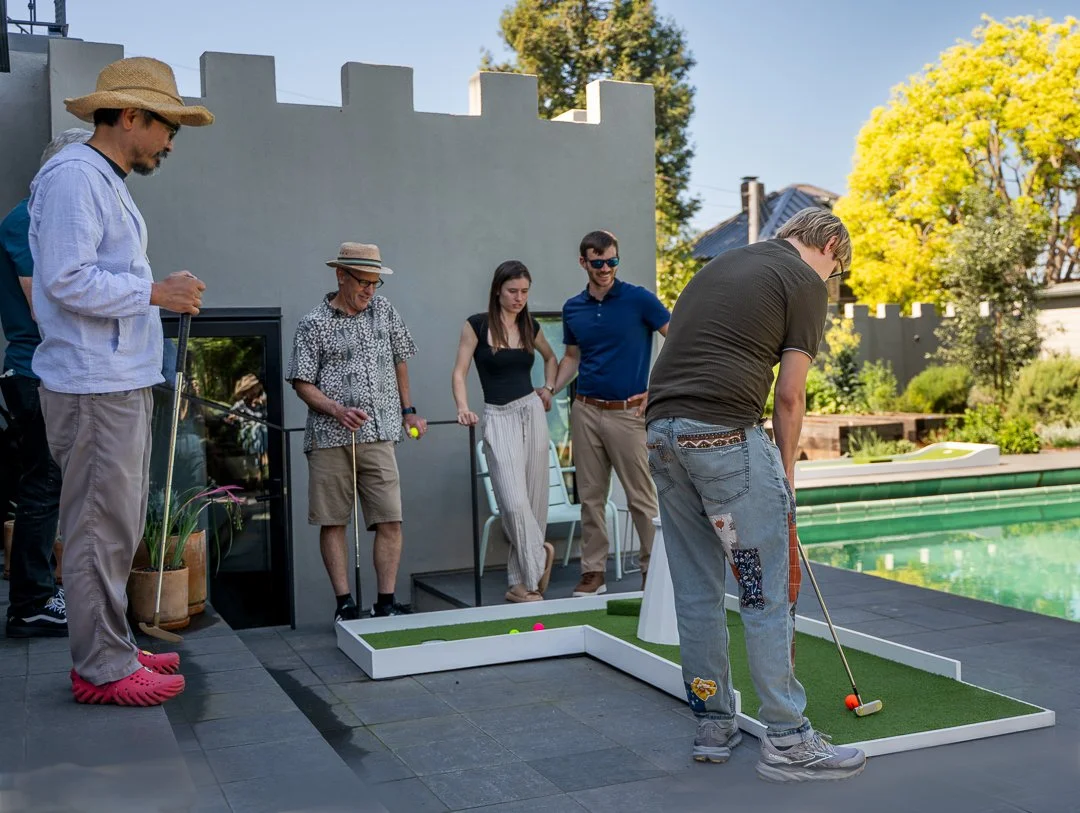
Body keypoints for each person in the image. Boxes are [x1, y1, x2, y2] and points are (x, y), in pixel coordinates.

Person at [645, 208, 866, 781]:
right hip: (724, 440)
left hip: (662, 438)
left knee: (696, 592)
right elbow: (790, 395)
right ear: (829, 246)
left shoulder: (724, 263)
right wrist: (787, 476)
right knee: (764, 590)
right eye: (837, 270)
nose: (832, 280)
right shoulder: (804, 280)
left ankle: (713, 722)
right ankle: (788, 738)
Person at [30, 57, 213, 705]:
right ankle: (101, 669)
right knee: (97, 530)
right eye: (169, 128)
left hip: (113, 382)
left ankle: (113, 647)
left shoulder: (101, 180)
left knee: (116, 526)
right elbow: (67, 279)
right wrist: (156, 292)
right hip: (92, 386)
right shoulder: (76, 178)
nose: (171, 143)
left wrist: (153, 293)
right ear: (131, 116)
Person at [287, 242, 426, 623]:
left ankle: (385, 603)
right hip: (329, 438)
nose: (370, 290)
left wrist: (409, 412)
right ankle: (345, 604)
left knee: (390, 519)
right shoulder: (313, 322)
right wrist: (337, 409)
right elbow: (301, 382)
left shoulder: (385, 310)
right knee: (334, 521)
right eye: (363, 281)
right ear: (340, 275)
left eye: (375, 282)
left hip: (380, 433)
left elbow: (400, 359)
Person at [2, 128, 92, 638]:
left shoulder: (36, 219)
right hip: (34, 371)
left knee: (49, 485)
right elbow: (44, 304)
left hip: (45, 372)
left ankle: (37, 596)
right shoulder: (25, 220)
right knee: (43, 486)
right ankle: (31, 603)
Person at [551, 230, 669, 596]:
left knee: (641, 498)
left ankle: (652, 572)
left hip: (628, 413)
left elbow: (678, 338)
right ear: (583, 262)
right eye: (598, 262)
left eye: (612, 261)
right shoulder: (573, 308)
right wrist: (549, 389)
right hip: (585, 410)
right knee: (590, 497)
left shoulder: (639, 300)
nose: (605, 269)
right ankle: (593, 572)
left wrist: (657, 388)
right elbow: (572, 358)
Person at [452, 260, 559, 602]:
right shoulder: (477, 325)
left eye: (525, 291)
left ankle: (521, 584)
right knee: (513, 503)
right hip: (498, 416)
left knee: (535, 501)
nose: (519, 298)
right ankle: (538, 556)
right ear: (498, 289)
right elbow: (459, 372)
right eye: (513, 291)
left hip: (531, 411)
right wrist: (462, 407)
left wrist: (549, 389)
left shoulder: (530, 326)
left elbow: (551, 358)